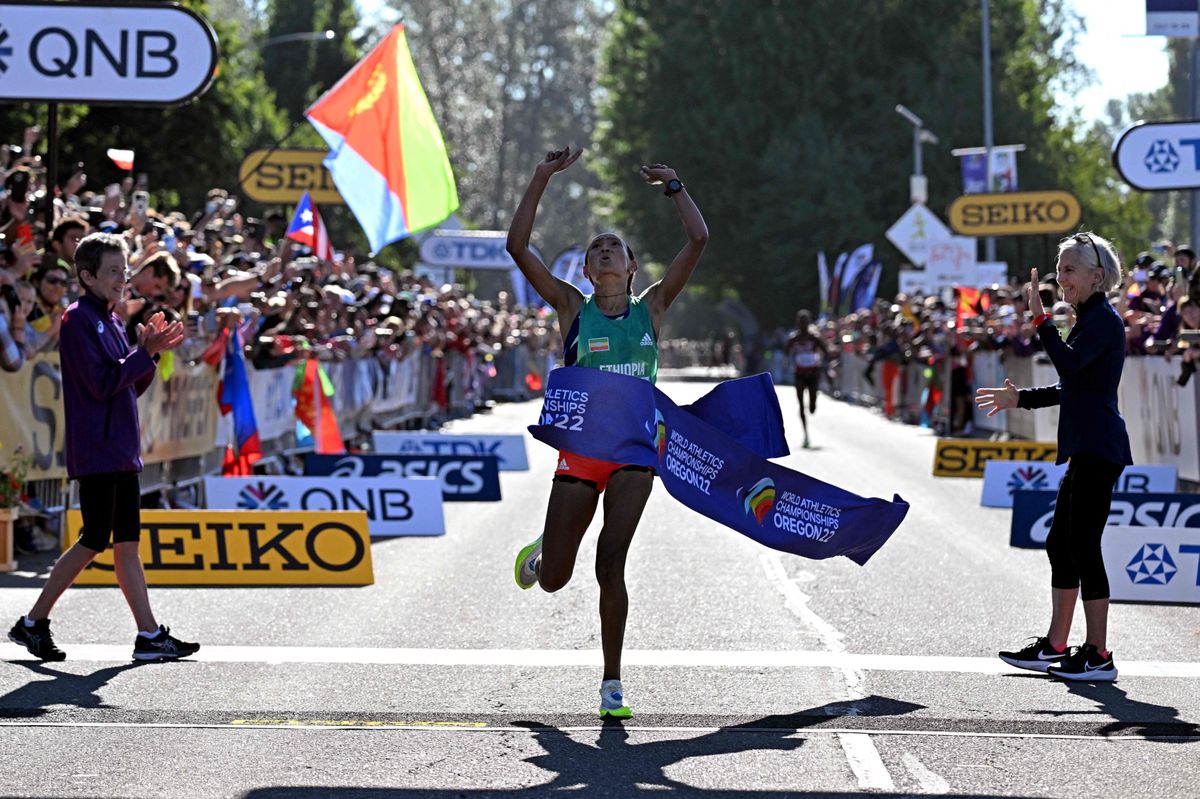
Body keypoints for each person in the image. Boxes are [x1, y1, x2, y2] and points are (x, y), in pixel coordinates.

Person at [506, 147, 707, 717]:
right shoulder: (572, 308)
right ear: (589, 272)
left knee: (610, 561)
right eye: (596, 250)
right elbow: (517, 248)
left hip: (636, 455)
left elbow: (697, 242)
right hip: (580, 455)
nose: (603, 251)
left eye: (612, 246)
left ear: (631, 265)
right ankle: (547, 554)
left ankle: (612, 683)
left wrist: (675, 187)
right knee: (555, 581)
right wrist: (541, 174)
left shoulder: (654, 308)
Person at [7, 232, 201, 662]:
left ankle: (148, 634)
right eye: (113, 271)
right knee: (94, 539)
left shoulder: (112, 319)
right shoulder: (78, 319)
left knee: (126, 541)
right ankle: (34, 622)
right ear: (87, 275)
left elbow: (129, 385)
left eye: (125, 270)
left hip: (120, 447)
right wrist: (142, 353)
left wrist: (149, 354)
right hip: (98, 448)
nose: (123, 278)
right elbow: (100, 384)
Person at [976, 232, 1132, 682]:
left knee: (1082, 546)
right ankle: (1055, 644)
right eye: (1059, 269)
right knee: (1060, 545)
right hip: (1087, 446)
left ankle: (1098, 653)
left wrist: (1042, 321)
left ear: (1097, 276)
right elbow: (1072, 386)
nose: (1061, 278)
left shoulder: (1102, 319)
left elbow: (1066, 366)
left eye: (1069, 270)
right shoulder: (1088, 318)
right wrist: (1019, 399)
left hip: (1100, 447)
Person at [786, 309, 828, 448]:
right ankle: (805, 434)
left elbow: (825, 350)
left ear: (809, 323)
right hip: (799, 373)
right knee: (801, 405)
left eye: (806, 322)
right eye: (801, 322)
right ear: (798, 323)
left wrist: (822, 363)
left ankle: (813, 402)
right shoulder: (794, 338)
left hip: (813, 373)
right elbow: (787, 352)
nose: (803, 325)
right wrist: (790, 362)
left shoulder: (813, 337)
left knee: (812, 406)